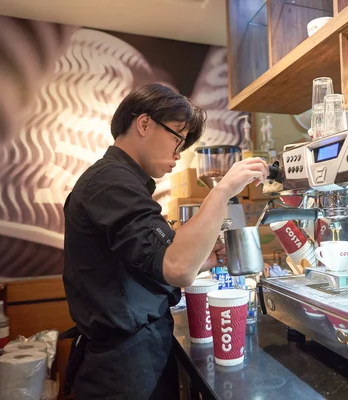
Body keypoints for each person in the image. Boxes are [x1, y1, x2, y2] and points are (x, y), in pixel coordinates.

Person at [62, 83, 269, 399]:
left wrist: (203, 257)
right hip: (122, 368)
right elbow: (178, 267)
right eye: (176, 138)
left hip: (132, 354)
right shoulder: (110, 182)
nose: (177, 153)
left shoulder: (122, 182)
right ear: (144, 123)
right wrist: (224, 189)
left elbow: (154, 260)